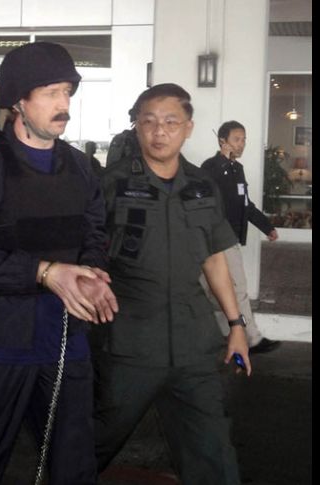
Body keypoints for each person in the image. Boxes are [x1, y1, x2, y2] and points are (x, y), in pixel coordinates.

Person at [0, 42, 117, 485]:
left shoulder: (80, 166)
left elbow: (95, 233)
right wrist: (44, 272)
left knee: (75, 463)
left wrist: (92, 273)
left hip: (65, 338)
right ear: (18, 101)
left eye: (67, 92)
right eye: (51, 93)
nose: (64, 105)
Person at [94, 83, 250, 485]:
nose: (159, 131)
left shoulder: (202, 185)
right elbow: (85, 255)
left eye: (170, 122)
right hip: (129, 341)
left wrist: (236, 325)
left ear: (188, 128)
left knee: (212, 452)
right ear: (137, 126)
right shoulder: (110, 184)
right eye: (148, 122)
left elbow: (214, 258)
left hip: (193, 342)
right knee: (93, 440)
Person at [200, 121, 281, 354]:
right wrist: (224, 161)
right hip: (214, 238)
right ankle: (251, 339)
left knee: (215, 291)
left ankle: (225, 335)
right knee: (235, 289)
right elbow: (207, 192)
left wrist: (267, 227)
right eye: (237, 139)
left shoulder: (238, 169)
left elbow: (246, 204)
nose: (242, 144)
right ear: (222, 141)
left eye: (244, 139)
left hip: (229, 238)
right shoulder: (211, 167)